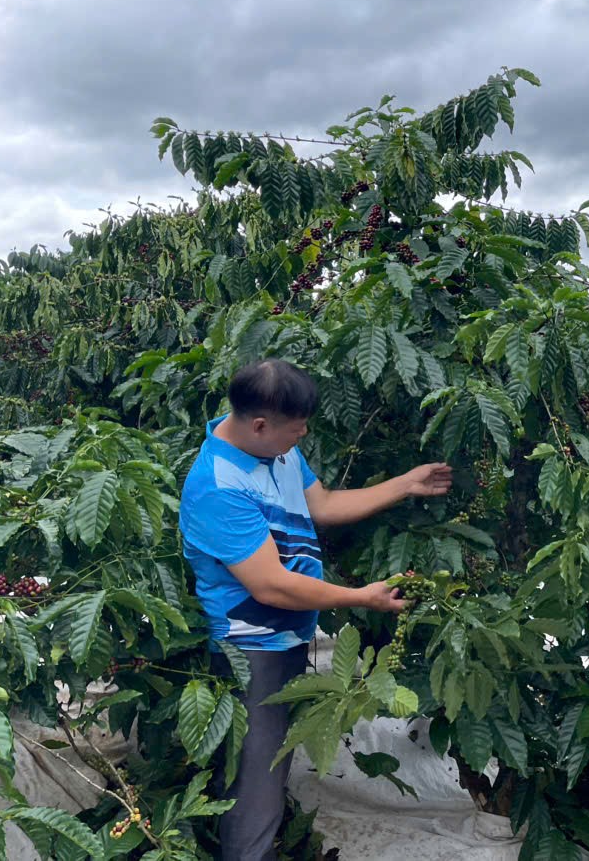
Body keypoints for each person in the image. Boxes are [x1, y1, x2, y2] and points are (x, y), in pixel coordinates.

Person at [178, 359, 452, 861]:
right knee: (254, 784)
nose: (300, 438)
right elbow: (272, 587)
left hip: (288, 638)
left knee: (268, 770)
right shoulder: (216, 485)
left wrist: (405, 484)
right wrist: (361, 598)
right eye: (295, 430)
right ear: (260, 425)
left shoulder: (276, 449)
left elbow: (320, 504)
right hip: (252, 648)